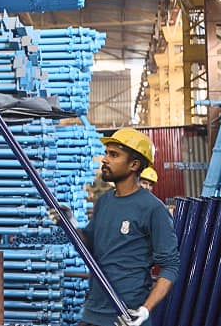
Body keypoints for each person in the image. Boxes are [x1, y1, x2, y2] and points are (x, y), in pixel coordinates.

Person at [50, 128, 179, 326]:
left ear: (134, 165)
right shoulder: (104, 202)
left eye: (114, 155)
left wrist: (144, 311)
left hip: (125, 316)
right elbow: (89, 248)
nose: (104, 159)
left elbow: (170, 267)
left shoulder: (153, 209)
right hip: (93, 312)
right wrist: (69, 223)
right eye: (106, 153)